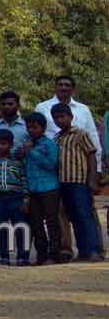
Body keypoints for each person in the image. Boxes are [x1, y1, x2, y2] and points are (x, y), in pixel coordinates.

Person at [34, 75, 104, 259]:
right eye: (60, 84)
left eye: (67, 85)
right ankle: (66, 250)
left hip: (79, 178)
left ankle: (93, 250)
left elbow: (93, 145)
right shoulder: (43, 109)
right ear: (55, 87)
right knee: (62, 214)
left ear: (73, 88)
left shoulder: (82, 118)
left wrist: (94, 175)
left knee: (85, 213)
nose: (64, 87)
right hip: (56, 175)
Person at [52, 103, 102, 262]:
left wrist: (92, 179)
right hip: (62, 183)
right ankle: (83, 251)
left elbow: (91, 155)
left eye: (63, 117)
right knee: (73, 217)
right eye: (56, 118)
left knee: (85, 216)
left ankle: (94, 250)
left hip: (79, 182)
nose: (60, 120)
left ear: (71, 117)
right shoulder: (56, 139)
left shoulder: (81, 134)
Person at [22, 112, 63, 265]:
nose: (31, 130)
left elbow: (51, 164)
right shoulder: (27, 143)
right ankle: (42, 255)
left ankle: (55, 253)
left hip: (50, 188)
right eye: (29, 127)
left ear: (44, 128)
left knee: (52, 222)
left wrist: (31, 152)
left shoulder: (50, 144)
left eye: (35, 127)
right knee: (36, 223)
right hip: (33, 189)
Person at [0, 129, 30, 266]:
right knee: (2, 229)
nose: (0, 147)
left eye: (4, 144)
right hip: (0, 199)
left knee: (20, 228)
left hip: (17, 198)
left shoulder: (18, 161)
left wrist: (26, 200)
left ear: (11, 144)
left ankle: (22, 257)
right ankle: (4, 256)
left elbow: (24, 180)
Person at [0, 91, 29, 156]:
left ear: (18, 106)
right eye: (3, 104)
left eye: (10, 104)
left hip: (22, 165)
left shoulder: (27, 127)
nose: (6, 106)